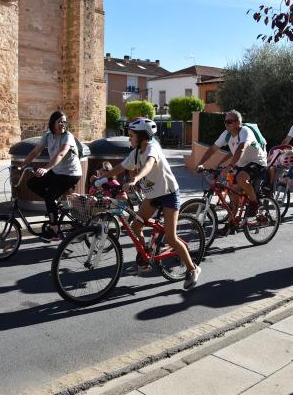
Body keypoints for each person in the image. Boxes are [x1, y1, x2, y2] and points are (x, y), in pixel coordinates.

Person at [98, 118, 201, 290]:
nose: (129, 137)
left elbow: (149, 165)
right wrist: (101, 179)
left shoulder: (152, 148)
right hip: (152, 196)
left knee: (170, 237)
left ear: (142, 136)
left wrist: (136, 178)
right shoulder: (136, 151)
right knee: (135, 226)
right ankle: (145, 257)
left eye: (131, 135)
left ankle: (193, 268)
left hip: (169, 195)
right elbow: (121, 166)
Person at [195, 110, 268, 236]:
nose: (226, 124)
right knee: (233, 194)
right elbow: (212, 149)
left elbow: (241, 148)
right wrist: (201, 163)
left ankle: (254, 203)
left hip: (258, 163)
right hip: (242, 165)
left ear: (238, 122)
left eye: (230, 121)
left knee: (240, 178)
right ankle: (231, 225)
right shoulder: (226, 134)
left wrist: (230, 166)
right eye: (225, 121)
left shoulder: (245, 131)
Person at [20, 110, 82, 241]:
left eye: (64, 122)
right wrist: (22, 165)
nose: (63, 124)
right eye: (60, 121)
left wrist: (46, 169)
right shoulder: (48, 136)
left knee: (49, 196)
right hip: (57, 171)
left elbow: (61, 154)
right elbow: (36, 152)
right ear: (52, 123)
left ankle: (55, 231)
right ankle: (53, 203)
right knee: (32, 183)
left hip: (71, 173)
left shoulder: (68, 137)